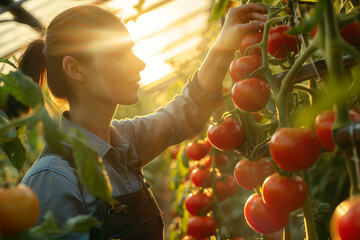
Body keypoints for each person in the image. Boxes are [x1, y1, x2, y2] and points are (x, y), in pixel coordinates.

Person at [20, 3, 267, 240]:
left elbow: (184, 113)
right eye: (119, 53)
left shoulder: (123, 141)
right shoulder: (52, 179)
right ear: (74, 68)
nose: (140, 63)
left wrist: (225, 42)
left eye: (132, 51)